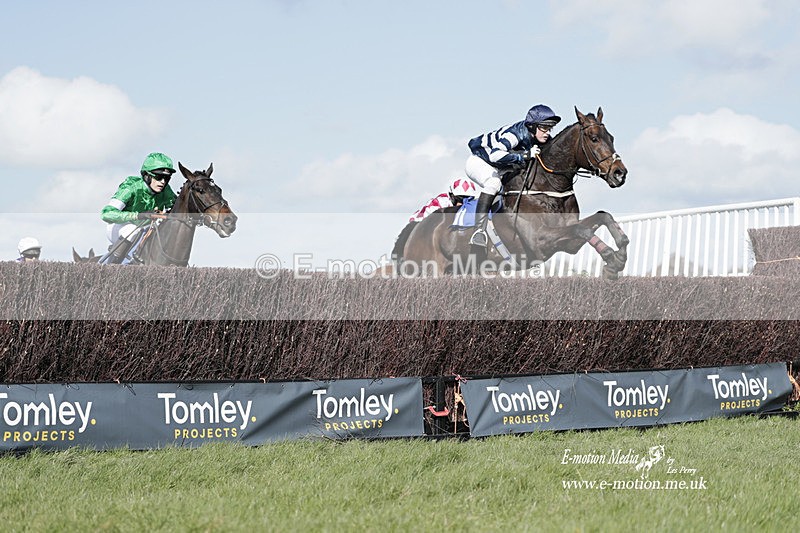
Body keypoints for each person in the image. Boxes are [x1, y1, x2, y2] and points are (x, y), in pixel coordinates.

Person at [465, 104, 561, 247]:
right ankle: (478, 231)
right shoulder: (514, 134)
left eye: (549, 128)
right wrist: (525, 155)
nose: (547, 133)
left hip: (501, 166)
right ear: (532, 126)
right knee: (494, 183)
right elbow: (495, 156)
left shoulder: (542, 139)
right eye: (544, 128)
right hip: (480, 161)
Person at [100, 152, 177, 264]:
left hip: (146, 229)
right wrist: (138, 215)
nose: (163, 182)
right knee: (132, 230)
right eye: (159, 177)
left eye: (167, 178)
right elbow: (106, 214)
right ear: (147, 176)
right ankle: (110, 267)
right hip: (119, 227)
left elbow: (177, 209)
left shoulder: (166, 190)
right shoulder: (131, 188)